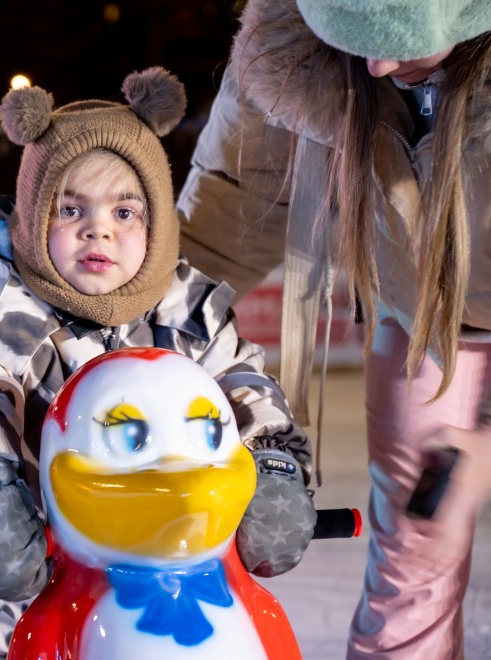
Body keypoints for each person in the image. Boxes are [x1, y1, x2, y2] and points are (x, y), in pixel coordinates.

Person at [0, 67, 316, 660]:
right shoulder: (4, 324)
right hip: (17, 584)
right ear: (33, 219)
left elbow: (241, 382)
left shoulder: (190, 316)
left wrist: (272, 462)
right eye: (71, 210)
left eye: (124, 213)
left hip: (161, 561)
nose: (97, 230)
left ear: (156, 225)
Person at [175, 0, 491, 657]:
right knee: (415, 545)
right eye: (354, 37)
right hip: (420, 318)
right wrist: (132, 322)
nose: (376, 65)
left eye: (401, 42)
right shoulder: (287, 54)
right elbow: (230, 203)